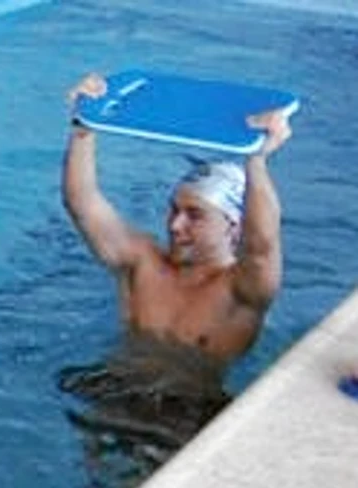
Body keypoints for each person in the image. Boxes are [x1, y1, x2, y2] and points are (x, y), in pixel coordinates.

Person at [62, 74, 288, 366]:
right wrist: (84, 126)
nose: (175, 225)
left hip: (188, 408)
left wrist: (256, 160)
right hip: (110, 395)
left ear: (233, 227)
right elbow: (80, 201)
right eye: (174, 209)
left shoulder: (241, 292)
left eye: (195, 215)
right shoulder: (141, 262)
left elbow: (261, 246)